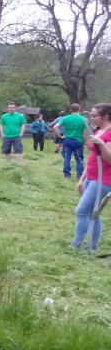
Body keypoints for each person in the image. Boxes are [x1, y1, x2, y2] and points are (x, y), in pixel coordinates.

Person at [71, 103, 111, 253]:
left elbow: (109, 159)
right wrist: (82, 178)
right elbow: (94, 157)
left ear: (105, 116)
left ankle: (75, 246)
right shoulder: (99, 130)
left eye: (94, 115)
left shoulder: (110, 133)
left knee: (81, 211)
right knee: (93, 213)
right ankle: (92, 247)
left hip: (103, 179)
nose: (91, 118)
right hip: (91, 176)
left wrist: (101, 144)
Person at [55, 103, 92, 179]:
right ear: (79, 109)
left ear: (71, 110)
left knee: (67, 158)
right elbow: (86, 131)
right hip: (78, 141)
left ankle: (67, 175)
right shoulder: (84, 119)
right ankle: (79, 175)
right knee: (79, 159)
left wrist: (60, 136)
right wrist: (85, 140)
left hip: (67, 140)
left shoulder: (66, 118)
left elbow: (55, 127)